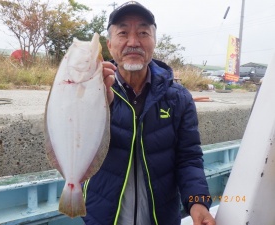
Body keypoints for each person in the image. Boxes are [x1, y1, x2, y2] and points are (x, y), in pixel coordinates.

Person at [82, 1, 216, 225]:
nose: (133, 42)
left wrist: (197, 202)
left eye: (143, 32)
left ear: (154, 41)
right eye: (123, 33)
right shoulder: (88, 91)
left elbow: (189, 158)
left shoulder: (179, 98)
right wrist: (98, 106)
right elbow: (77, 147)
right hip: (103, 217)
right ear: (109, 44)